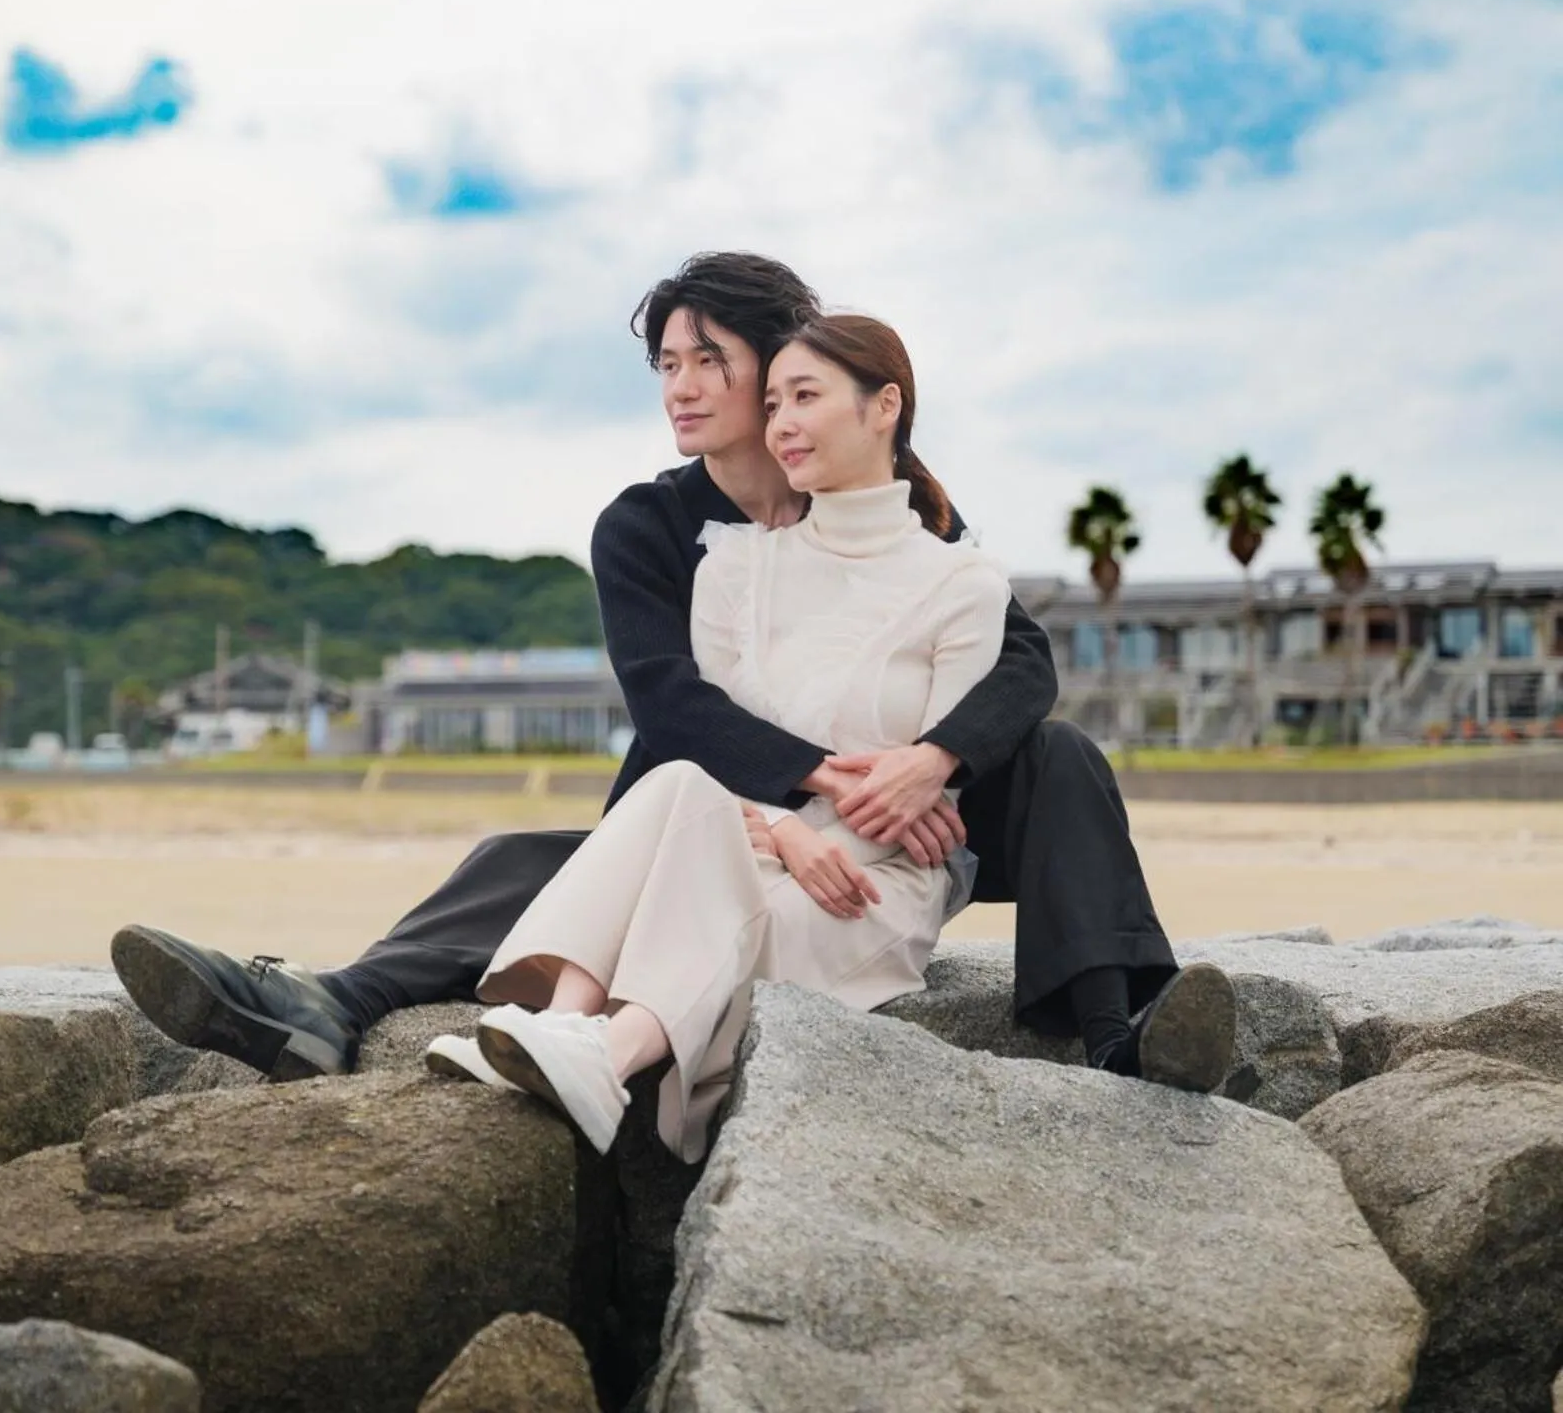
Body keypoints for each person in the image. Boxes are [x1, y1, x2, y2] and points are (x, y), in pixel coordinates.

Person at [111, 253, 1233, 1105]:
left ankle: (1118, 1028)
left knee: (1060, 756)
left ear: (791, 370)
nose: (683, 389)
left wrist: (926, 764)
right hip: (721, 806)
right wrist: (813, 791)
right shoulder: (649, 526)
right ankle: (326, 1002)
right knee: (527, 859)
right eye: (667, 365)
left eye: (712, 362)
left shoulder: (875, 496)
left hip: (908, 823)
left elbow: (1015, 652)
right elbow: (670, 705)